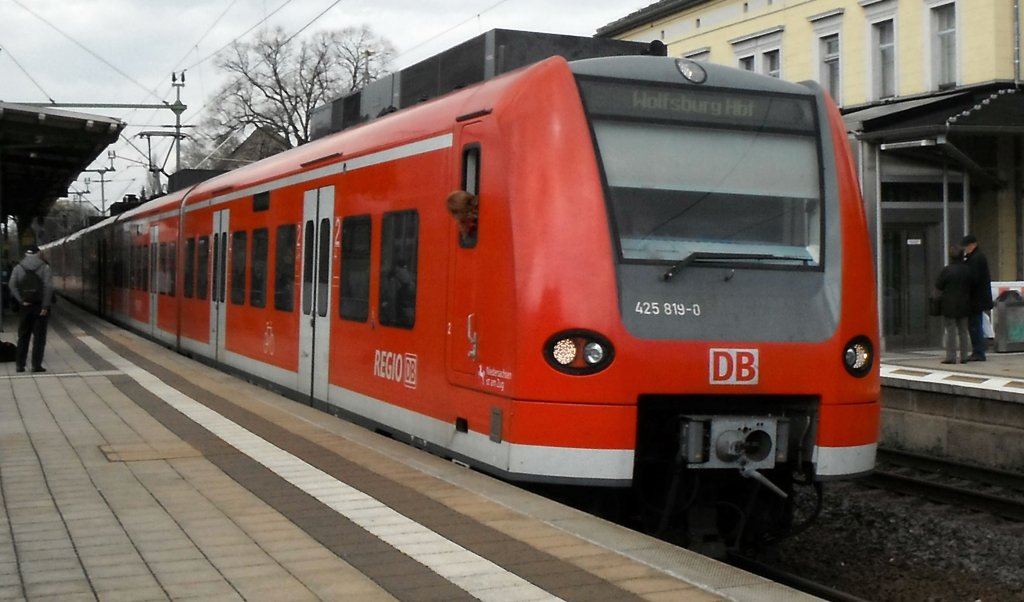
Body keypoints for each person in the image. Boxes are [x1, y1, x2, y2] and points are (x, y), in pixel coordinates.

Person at [8, 246, 54, 373]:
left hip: (25, 307)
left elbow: (12, 285)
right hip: (39, 306)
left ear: (26, 254)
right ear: (38, 253)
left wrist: (21, 300)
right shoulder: (45, 267)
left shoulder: (18, 268)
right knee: (39, 338)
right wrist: (45, 306)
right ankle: (36, 365)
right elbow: (48, 287)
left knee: (23, 336)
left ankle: (20, 365)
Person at [934, 245, 972, 364]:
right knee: (963, 331)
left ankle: (951, 356)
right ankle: (964, 356)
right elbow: (973, 285)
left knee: (950, 331)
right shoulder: (967, 270)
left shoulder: (947, 270)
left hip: (949, 303)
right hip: (964, 303)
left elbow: (939, 285)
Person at [961, 234, 993, 361]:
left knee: (975, 325)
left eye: (966, 246)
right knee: (976, 324)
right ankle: (978, 350)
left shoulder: (975, 259)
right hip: (978, 298)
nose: (965, 249)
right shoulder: (976, 257)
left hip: (976, 298)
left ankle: (979, 351)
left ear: (973, 245)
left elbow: (974, 279)